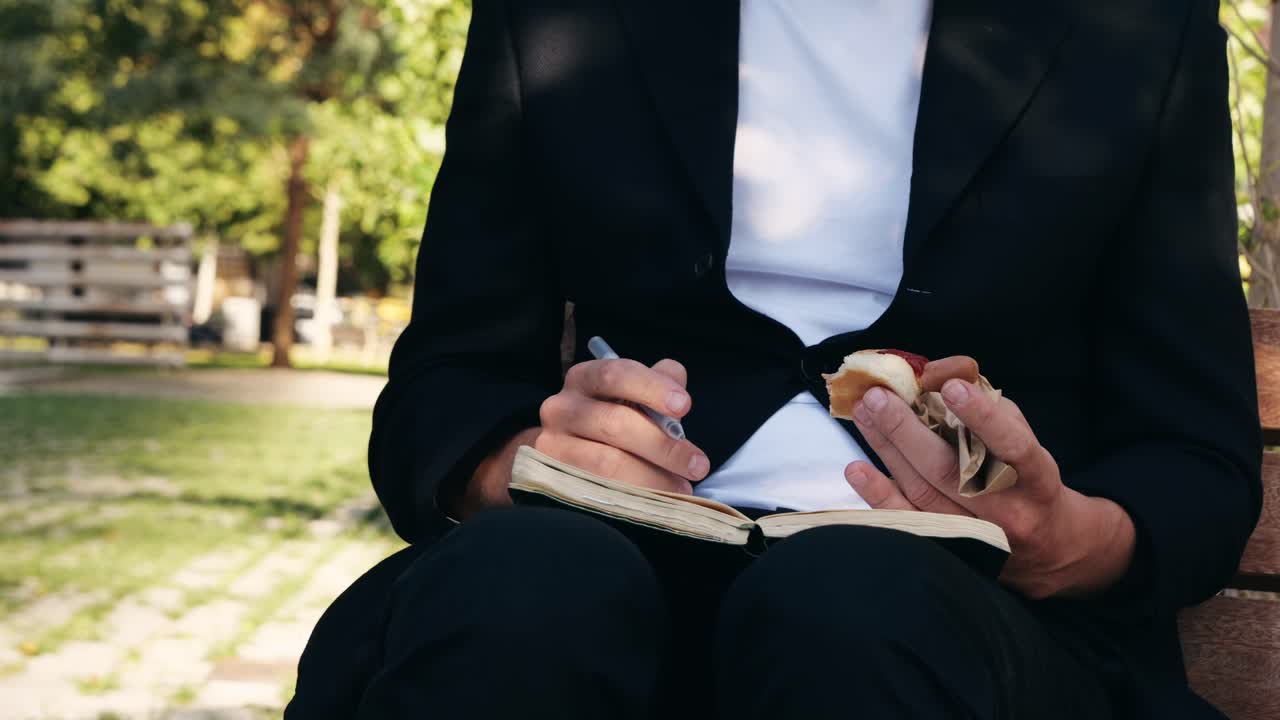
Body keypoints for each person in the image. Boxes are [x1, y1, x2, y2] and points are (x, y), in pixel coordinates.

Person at [286, 1, 1262, 718]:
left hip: (963, 622)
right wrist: (510, 464)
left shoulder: (1133, 27)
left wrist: (1063, 539)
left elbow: (1193, 457)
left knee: (846, 602)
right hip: (601, 569)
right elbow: (443, 382)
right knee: (517, 593)